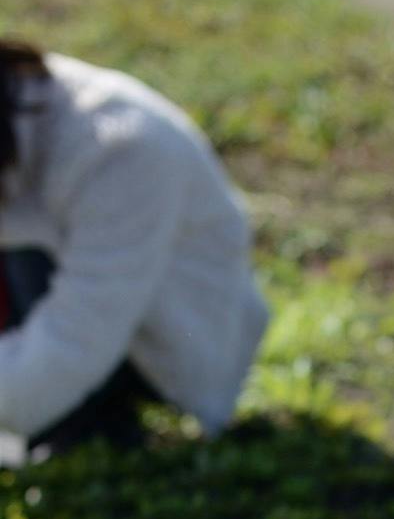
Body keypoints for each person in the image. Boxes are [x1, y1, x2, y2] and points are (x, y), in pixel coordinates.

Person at [0, 42, 267, 460]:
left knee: (33, 260)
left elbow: (78, 339)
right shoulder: (16, 101)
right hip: (64, 318)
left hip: (156, 342)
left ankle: (91, 427)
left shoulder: (118, 146)